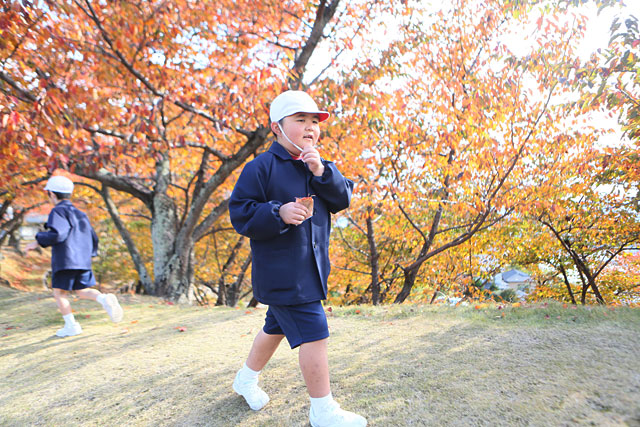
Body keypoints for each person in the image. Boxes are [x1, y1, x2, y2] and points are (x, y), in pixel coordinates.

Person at [229, 90, 366, 427]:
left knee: (275, 327)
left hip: (312, 270)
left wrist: (321, 172)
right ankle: (323, 411)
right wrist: (277, 212)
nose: (309, 127)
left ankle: (245, 379)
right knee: (315, 333)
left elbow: (342, 198)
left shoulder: (319, 165)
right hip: (282, 272)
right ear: (277, 127)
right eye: (300, 120)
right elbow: (240, 213)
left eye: (314, 122)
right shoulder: (260, 168)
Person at [25, 175, 123, 337]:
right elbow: (93, 237)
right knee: (82, 290)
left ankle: (71, 326)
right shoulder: (80, 213)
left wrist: (38, 239)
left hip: (65, 260)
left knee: (60, 293)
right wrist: (89, 255)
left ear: (52, 194)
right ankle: (104, 299)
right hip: (82, 260)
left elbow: (58, 234)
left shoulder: (58, 211)